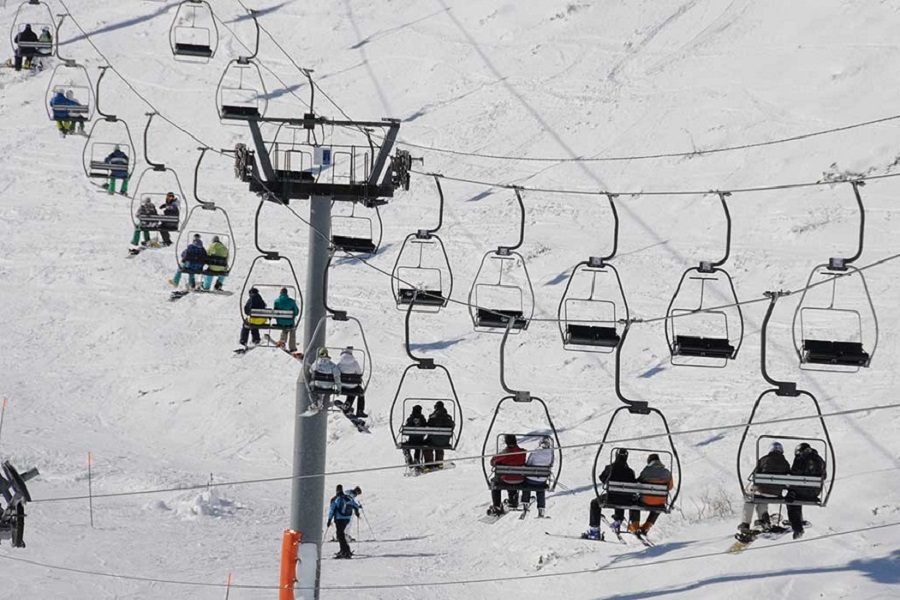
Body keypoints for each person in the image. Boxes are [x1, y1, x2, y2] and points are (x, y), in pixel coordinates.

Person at [737, 441, 791, 536]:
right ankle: (764, 520)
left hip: (762, 490)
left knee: (749, 500)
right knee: (763, 500)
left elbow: (755, 475)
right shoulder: (785, 463)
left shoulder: (764, 459)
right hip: (776, 493)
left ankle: (745, 524)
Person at [583, 448, 636, 540]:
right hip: (626, 499)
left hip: (611, 498)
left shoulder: (610, 468)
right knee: (622, 497)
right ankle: (618, 520)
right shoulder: (630, 471)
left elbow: (602, 479)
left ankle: (594, 530)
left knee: (595, 503)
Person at [786, 442, 826, 539]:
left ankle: (797, 526)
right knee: (796, 497)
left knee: (792, 501)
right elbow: (824, 476)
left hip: (801, 490)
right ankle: (798, 523)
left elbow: (795, 474)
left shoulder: (801, 458)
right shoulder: (820, 460)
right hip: (815, 492)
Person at [630, 453, 674, 535]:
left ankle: (635, 526)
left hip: (646, 500)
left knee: (634, 503)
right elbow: (670, 487)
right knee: (658, 506)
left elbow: (638, 483)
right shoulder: (667, 472)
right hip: (660, 502)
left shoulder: (646, 471)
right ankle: (647, 526)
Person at [488, 434, 526, 516]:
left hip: (506, 479)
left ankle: (497, 505)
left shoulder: (505, 454)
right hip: (520, 479)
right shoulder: (522, 452)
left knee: (496, 482)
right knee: (513, 476)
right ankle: (512, 499)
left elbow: (493, 462)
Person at [521, 436, 554, 518]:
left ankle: (525, 503)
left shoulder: (535, 452)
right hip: (541, 479)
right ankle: (541, 510)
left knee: (526, 485)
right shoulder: (551, 454)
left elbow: (528, 463)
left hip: (530, 479)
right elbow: (551, 464)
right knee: (540, 490)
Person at [327, 486, 362, 559]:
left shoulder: (337, 499)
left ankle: (345, 551)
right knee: (341, 534)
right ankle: (344, 550)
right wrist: (358, 510)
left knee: (340, 535)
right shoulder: (348, 498)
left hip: (339, 518)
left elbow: (332, 510)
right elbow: (355, 506)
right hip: (347, 518)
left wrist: (329, 520)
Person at [422, 401, 454, 470]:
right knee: (440, 445)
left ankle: (429, 464)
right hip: (444, 441)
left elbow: (428, 425)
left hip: (433, 440)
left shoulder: (433, 417)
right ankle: (439, 464)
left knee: (427, 445)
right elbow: (452, 426)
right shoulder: (448, 417)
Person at [336, 347, 366, 418]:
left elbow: (336, 373)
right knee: (358, 391)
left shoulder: (340, 364)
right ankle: (359, 411)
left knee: (351, 389)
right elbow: (359, 373)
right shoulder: (355, 363)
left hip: (342, 386)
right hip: (353, 386)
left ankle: (347, 405)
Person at [273, 288, 300, 352]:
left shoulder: (277, 301)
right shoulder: (291, 301)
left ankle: (282, 341)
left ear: (280, 293)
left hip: (280, 322)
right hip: (290, 322)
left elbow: (275, 313)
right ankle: (292, 347)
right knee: (292, 329)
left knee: (284, 327)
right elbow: (296, 312)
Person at [401, 405, 427, 470]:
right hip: (420, 441)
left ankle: (409, 458)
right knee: (418, 447)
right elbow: (425, 427)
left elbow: (406, 427)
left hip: (411, 441)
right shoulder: (422, 418)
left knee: (405, 446)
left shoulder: (410, 418)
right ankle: (416, 459)